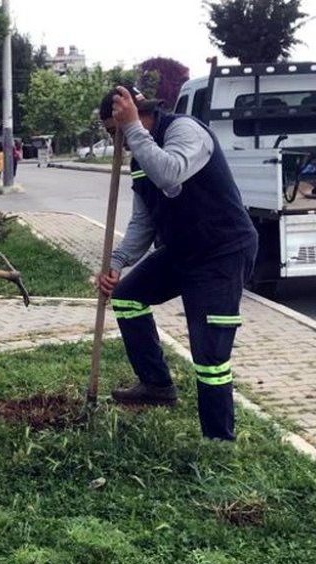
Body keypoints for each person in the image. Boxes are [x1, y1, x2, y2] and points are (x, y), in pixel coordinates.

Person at [95, 85, 259, 441]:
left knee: (209, 355)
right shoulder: (141, 155)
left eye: (114, 131)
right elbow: (144, 221)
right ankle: (156, 385)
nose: (117, 141)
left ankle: (218, 440)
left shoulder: (186, 131)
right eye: (112, 133)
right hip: (182, 250)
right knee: (127, 296)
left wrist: (133, 128)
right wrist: (117, 262)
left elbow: (171, 172)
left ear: (135, 115)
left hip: (221, 251)